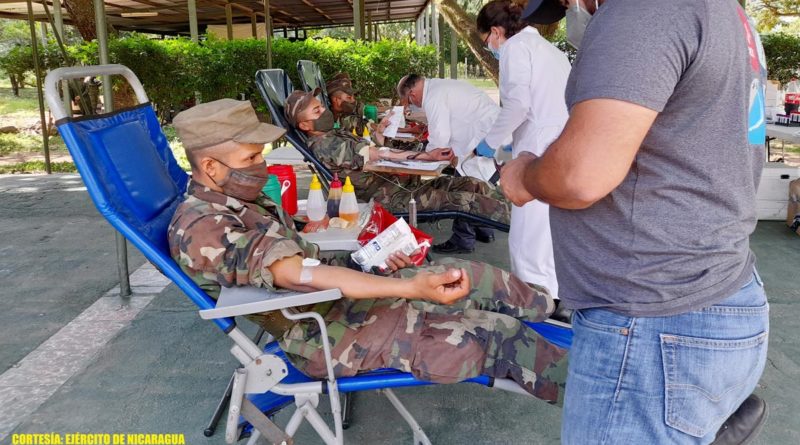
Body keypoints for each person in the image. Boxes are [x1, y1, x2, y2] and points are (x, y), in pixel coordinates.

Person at [167, 98, 568, 403]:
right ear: (211, 167)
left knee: (470, 275)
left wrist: (371, 264)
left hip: (342, 303)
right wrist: (409, 289)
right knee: (500, 335)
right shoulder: (203, 227)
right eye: (251, 158)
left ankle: (556, 311)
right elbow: (297, 274)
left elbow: (311, 262)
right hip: (329, 335)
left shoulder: (239, 203)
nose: (263, 166)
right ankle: (604, 399)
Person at [502, 0, 770, 443]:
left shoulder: (642, 9)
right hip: (714, 288)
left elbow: (580, 174)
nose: (575, 8)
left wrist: (525, 173)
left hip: (654, 317)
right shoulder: (726, 11)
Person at [285, 89, 512, 248]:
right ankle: (524, 223)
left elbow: (374, 148)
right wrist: (426, 156)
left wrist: (380, 134)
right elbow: (377, 154)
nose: (324, 111)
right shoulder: (327, 144)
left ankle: (522, 210)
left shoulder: (333, 134)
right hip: (390, 199)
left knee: (472, 183)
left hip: (402, 188)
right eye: (316, 112)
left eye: (321, 106)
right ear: (304, 125)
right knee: (467, 200)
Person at [474, 0, 571, 299]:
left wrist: (489, 143)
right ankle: (554, 299)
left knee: (528, 237)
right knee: (550, 234)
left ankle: (535, 304)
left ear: (495, 31)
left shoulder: (515, 47)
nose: (490, 46)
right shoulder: (550, 51)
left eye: (486, 41)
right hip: (561, 146)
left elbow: (517, 104)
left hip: (538, 150)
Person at [397, 74, 508, 253]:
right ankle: (483, 229)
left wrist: (425, 156)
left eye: (409, 101)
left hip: (483, 136)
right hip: (489, 132)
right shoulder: (439, 87)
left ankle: (463, 239)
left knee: (466, 186)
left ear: (412, 94)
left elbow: (440, 136)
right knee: (479, 185)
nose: (412, 105)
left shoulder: (433, 97)